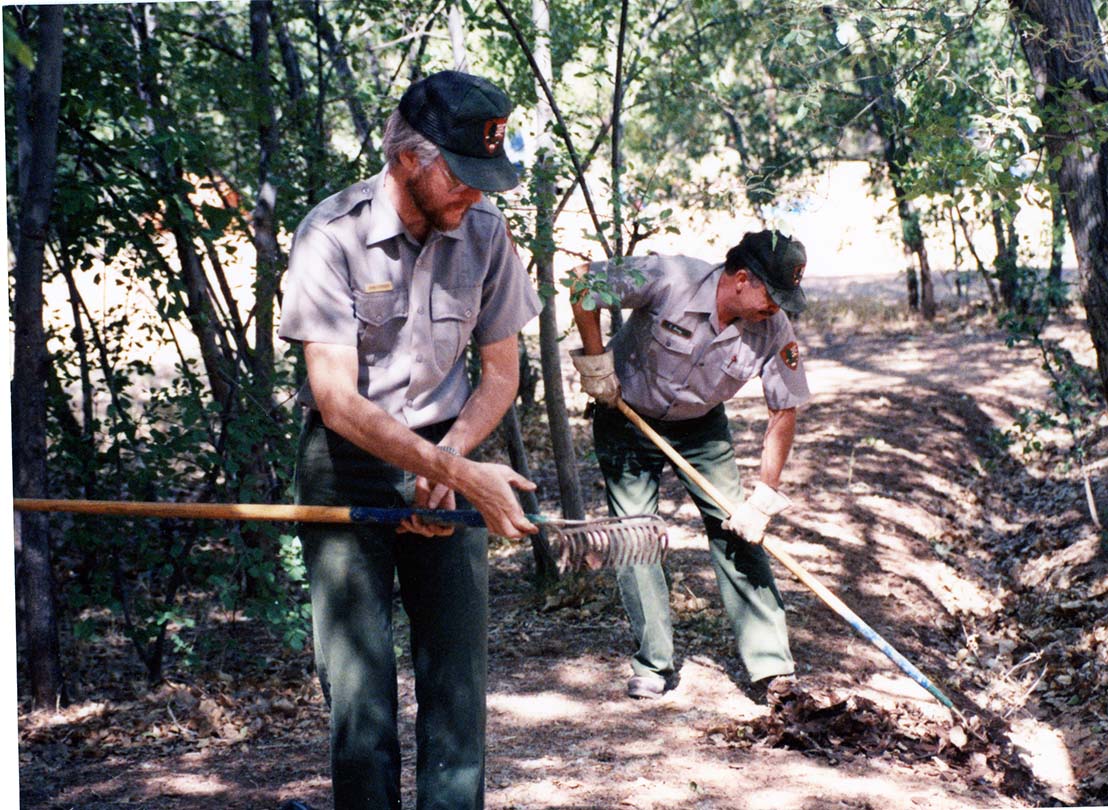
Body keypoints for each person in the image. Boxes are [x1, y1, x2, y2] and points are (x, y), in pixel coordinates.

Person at [278, 70, 542, 810]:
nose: (478, 196)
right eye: (463, 177)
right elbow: (334, 398)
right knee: (359, 697)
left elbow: (498, 373)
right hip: (347, 467)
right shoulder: (331, 234)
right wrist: (435, 462)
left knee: (457, 682)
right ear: (407, 160)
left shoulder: (486, 234)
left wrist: (451, 460)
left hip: (449, 451)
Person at [568, 230, 811, 701]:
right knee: (635, 534)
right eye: (772, 297)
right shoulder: (671, 278)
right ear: (742, 280)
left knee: (738, 528)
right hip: (625, 415)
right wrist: (597, 362)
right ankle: (653, 664)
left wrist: (764, 495)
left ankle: (772, 667)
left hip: (701, 426)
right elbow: (582, 282)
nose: (777, 310)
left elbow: (784, 410)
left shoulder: (773, 328)